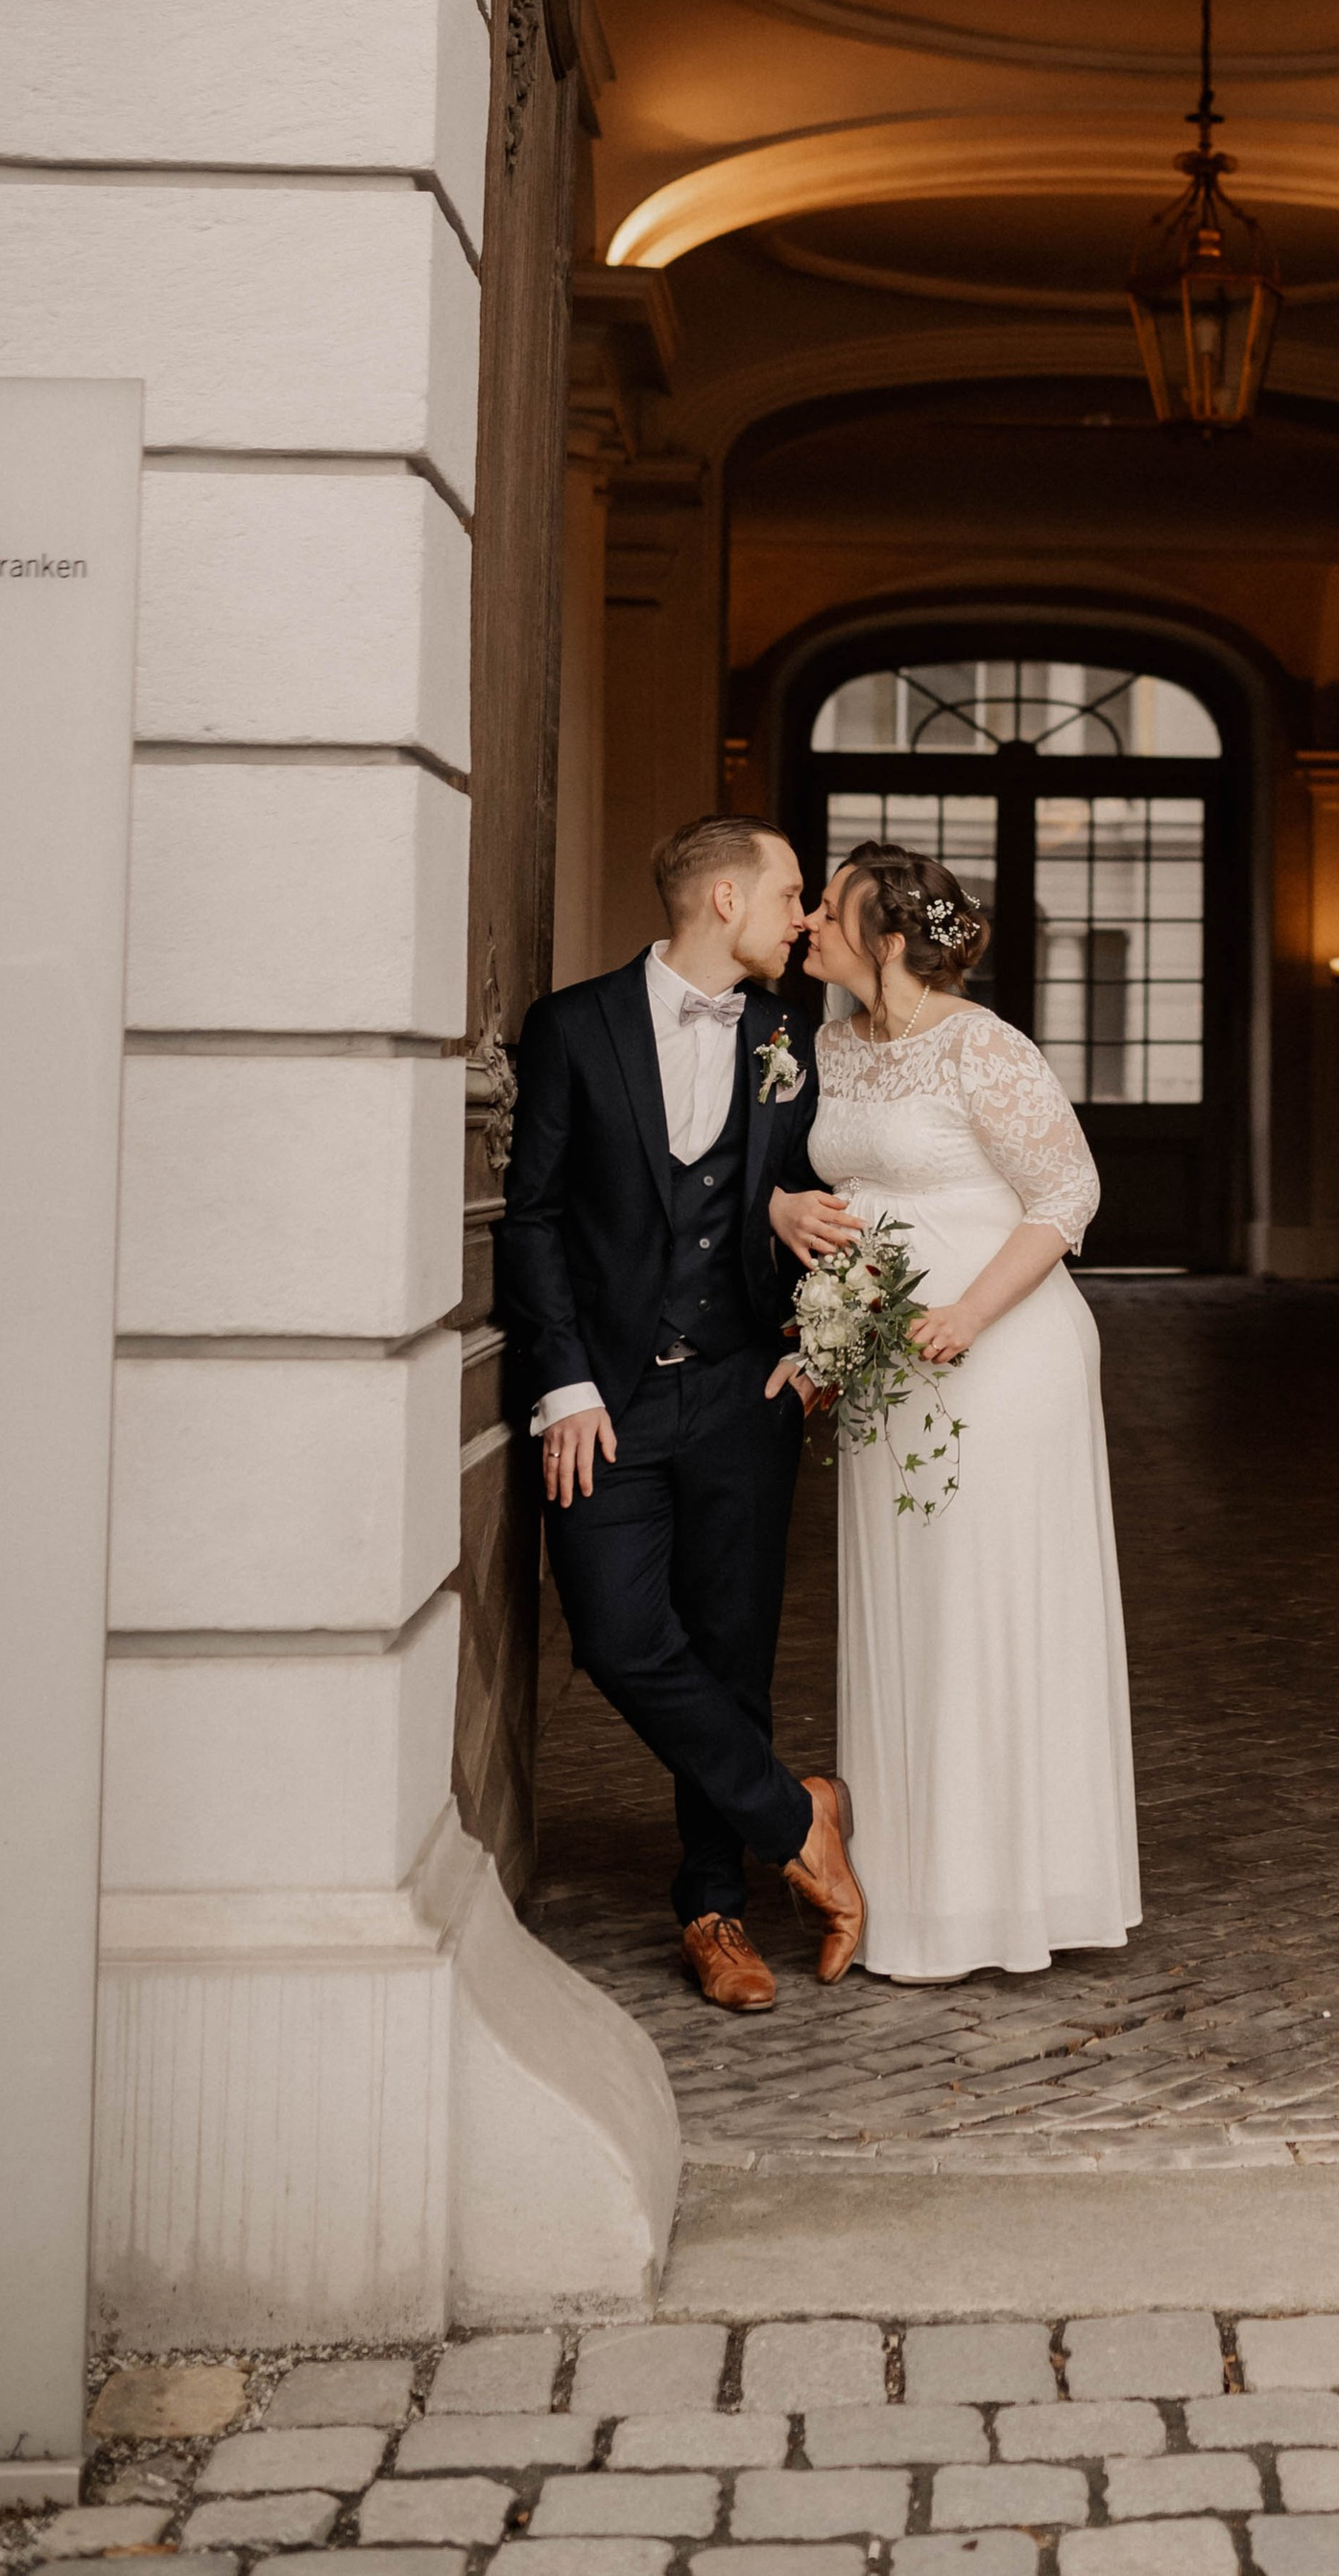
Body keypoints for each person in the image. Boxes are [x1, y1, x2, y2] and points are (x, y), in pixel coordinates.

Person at [495, 814, 867, 2014]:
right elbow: (536, 1216)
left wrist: (814, 1330)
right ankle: (792, 1815)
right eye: (790, 893)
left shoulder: (793, 1035)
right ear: (722, 902)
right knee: (611, 1633)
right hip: (602, 1393)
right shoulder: (572, 1026)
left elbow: (842, 1197)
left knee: (730, 1653)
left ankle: (715, 1909)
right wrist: (563, 1380)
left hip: (738, 1390)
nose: (803, 917)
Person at [777, 841, 1140, 1981]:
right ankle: (923, 1885)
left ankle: (1024, 1887)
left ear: (887, 937)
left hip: (1004, 1356)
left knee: (992, 1603)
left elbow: (1067, 1191)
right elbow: (817, 1184)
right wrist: (796, 1233)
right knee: (910, 1606)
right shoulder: (826, 1044)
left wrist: (972, 1315)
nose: (808, 926)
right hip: (890, 1368)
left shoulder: (985, 1045)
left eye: (827, 909)